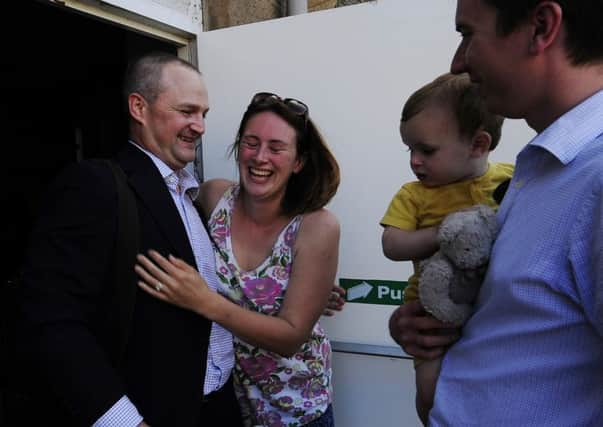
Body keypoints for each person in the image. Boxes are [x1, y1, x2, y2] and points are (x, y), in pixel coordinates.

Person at [389, 1, 603, 425]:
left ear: (541, 27)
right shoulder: (540, 169)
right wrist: (419, 326)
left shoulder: (594, 177)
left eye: (467, 34)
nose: (458, 62)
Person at [15, 52, 242, 427]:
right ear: (139, 107)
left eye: (204, 113)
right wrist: (122, 421)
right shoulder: (97, 185)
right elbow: (53, 321)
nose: (199, 126)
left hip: (216, 408)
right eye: (187, 111)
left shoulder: (192, 195)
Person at [134, 91, 341, 427]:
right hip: (226, 407)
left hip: (297, 412)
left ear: (298, 161)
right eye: (251, 142)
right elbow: (162, 217)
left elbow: (291, 337)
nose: (260, 157)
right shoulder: (214, 197)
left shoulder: (316, 226)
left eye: (276, 148)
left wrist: (204, 302)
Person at [380, 71, 511, 425]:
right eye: (410, 149)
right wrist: (444, 232)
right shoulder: (414, 194)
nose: (414, 161)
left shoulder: (512, 181)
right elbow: (392, 244)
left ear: (478, 145)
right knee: (430, 391)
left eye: (427, 150)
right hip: (429, 312)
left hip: (489, 314)